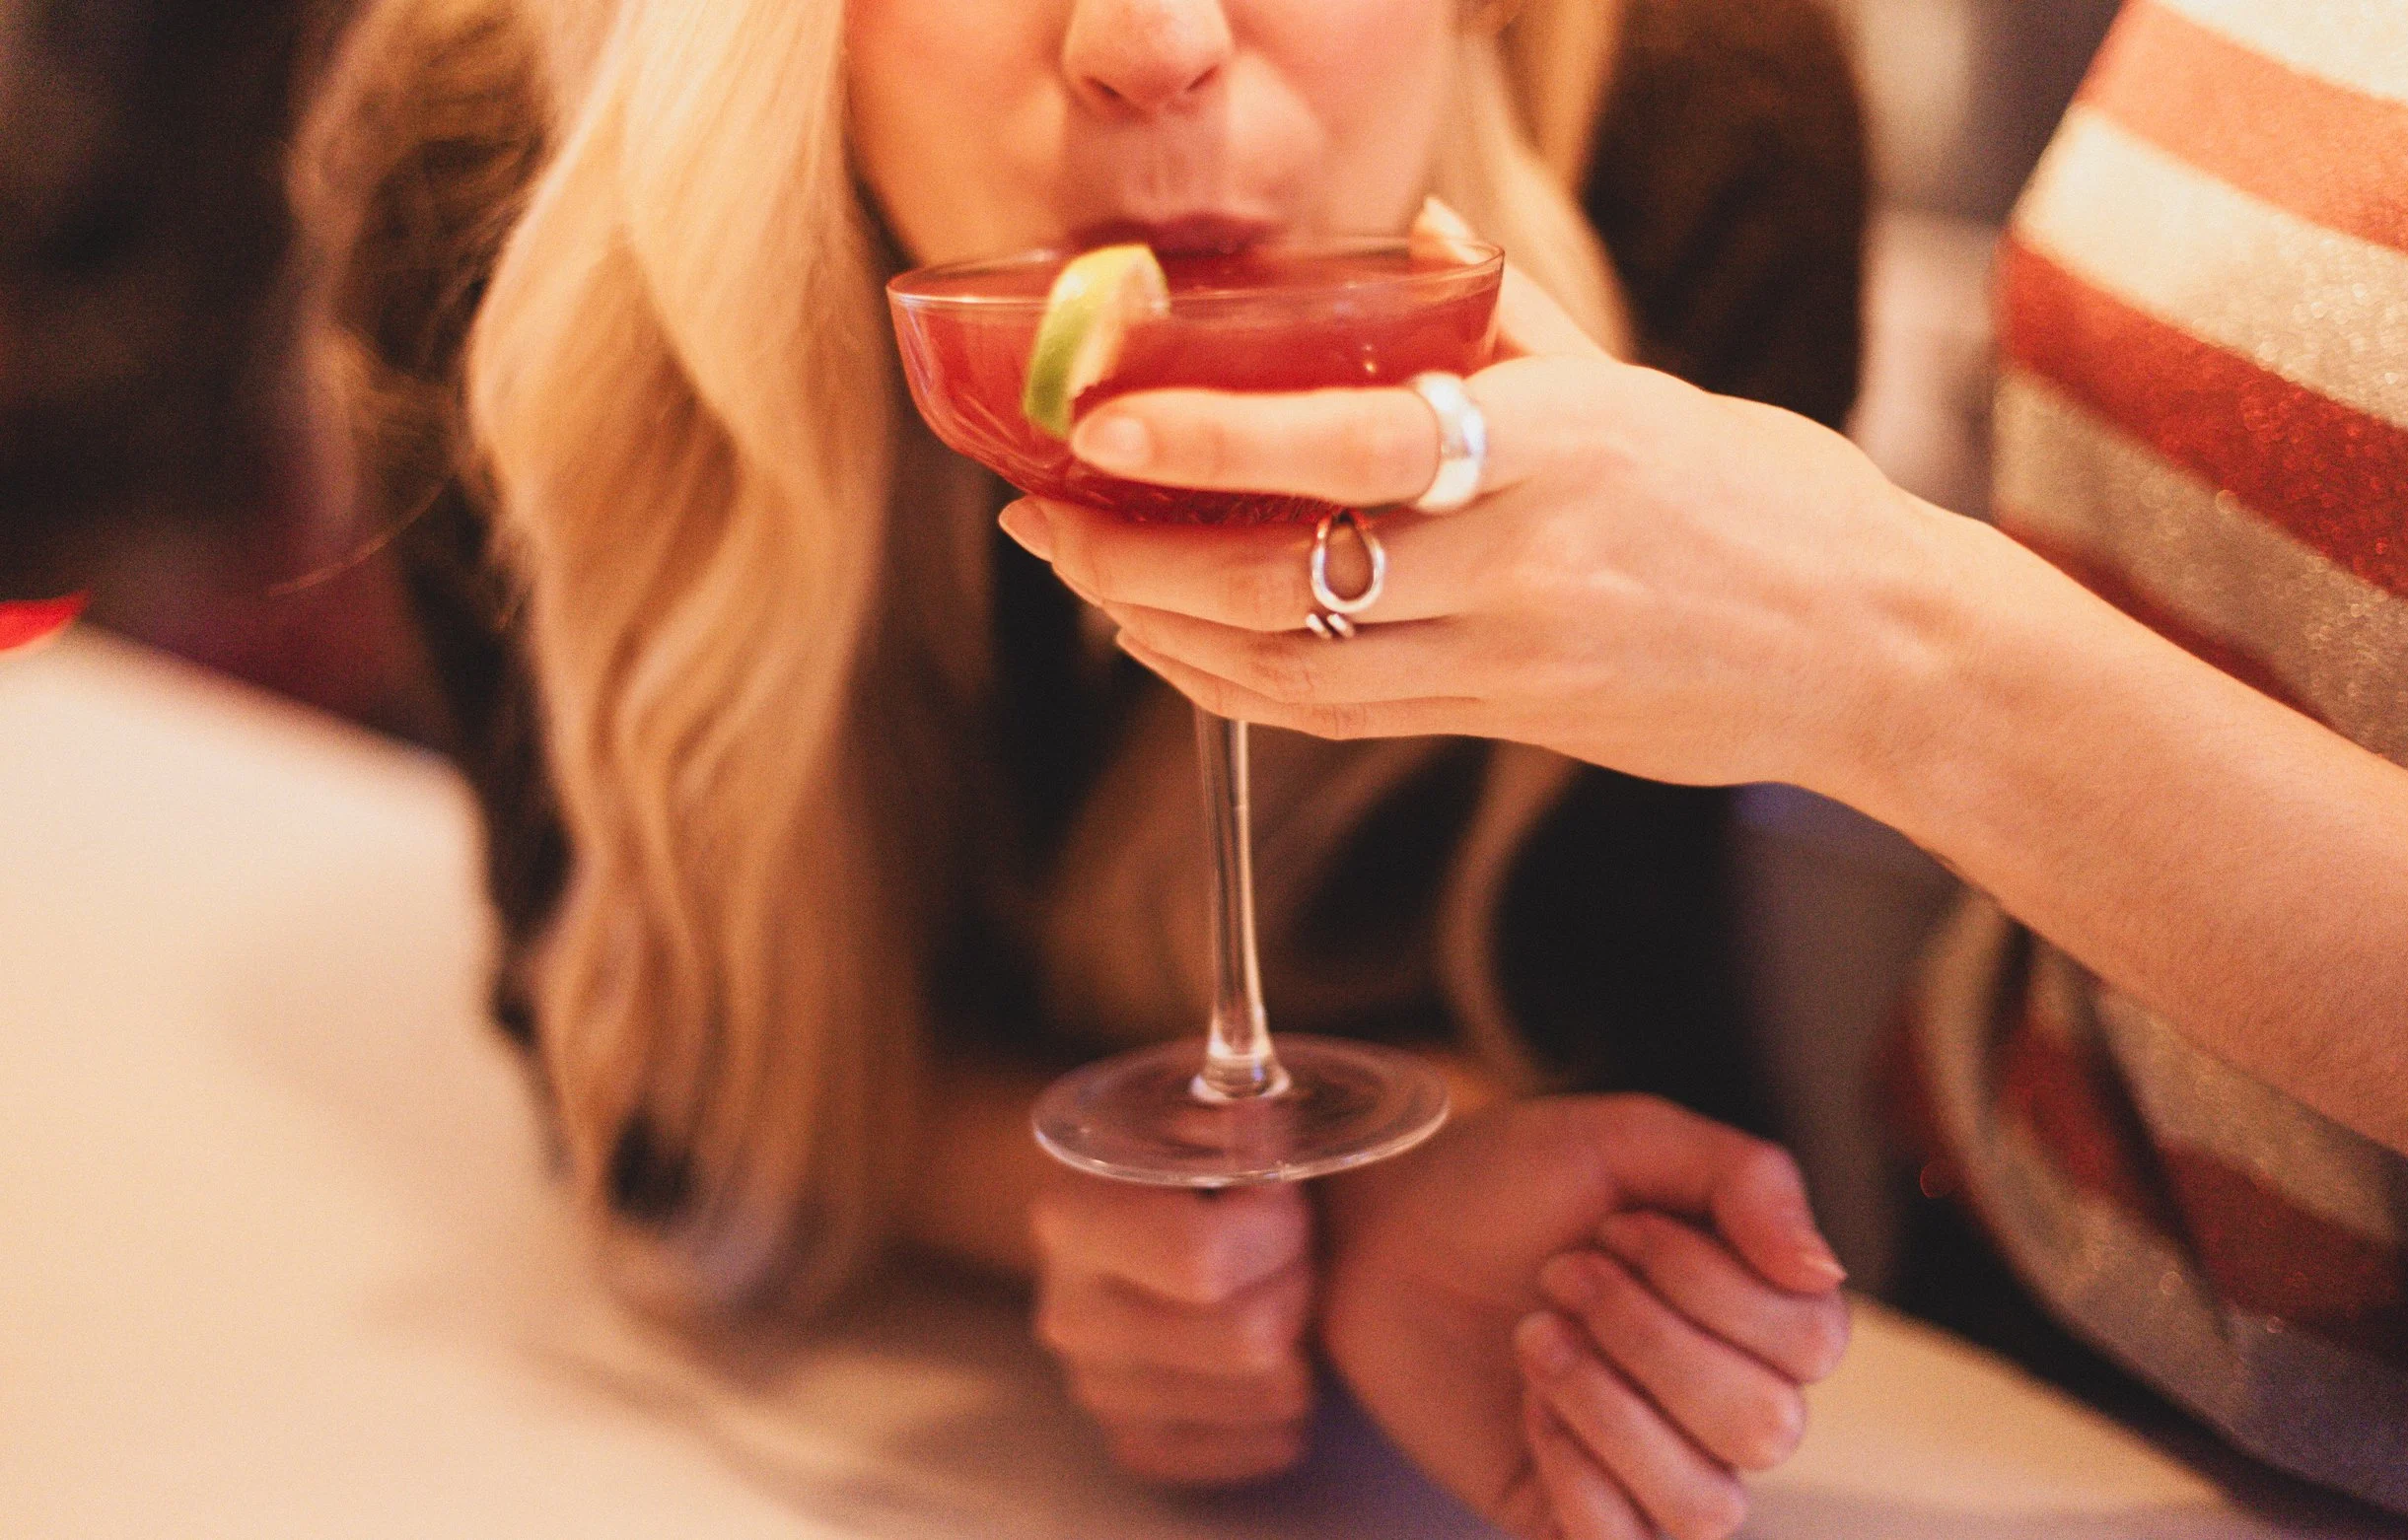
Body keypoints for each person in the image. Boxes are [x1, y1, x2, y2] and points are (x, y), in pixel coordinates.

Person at [294, 0, 1869, 1534]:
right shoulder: (496, 171)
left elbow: (1621, 1004)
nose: (1152, 43)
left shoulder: (1701, 132)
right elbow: (626, 1039)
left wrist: (1385, 1202)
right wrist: (1101, 1205)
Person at [1013, 0, 2408, 1527]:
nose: (1151, 38)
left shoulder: (1693, 142)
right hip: (1997, 1358)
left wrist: (1885, 653)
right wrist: (1303, 1219)